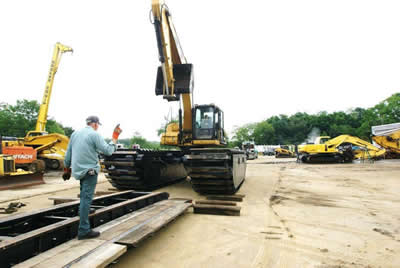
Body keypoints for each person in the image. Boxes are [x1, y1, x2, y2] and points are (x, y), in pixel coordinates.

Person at [63, 116, 122, 240]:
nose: (98, 127)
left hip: (78, 170)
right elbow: (108, 151)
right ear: (95, 124)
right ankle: (84, 230)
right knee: (86, 198)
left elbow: (68, 153)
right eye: (98, 125)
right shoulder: (94, 135)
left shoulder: (75, 134)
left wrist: (67, 169)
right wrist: (115, 138)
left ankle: (82, 211)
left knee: (83, 193)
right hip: (90, 171)